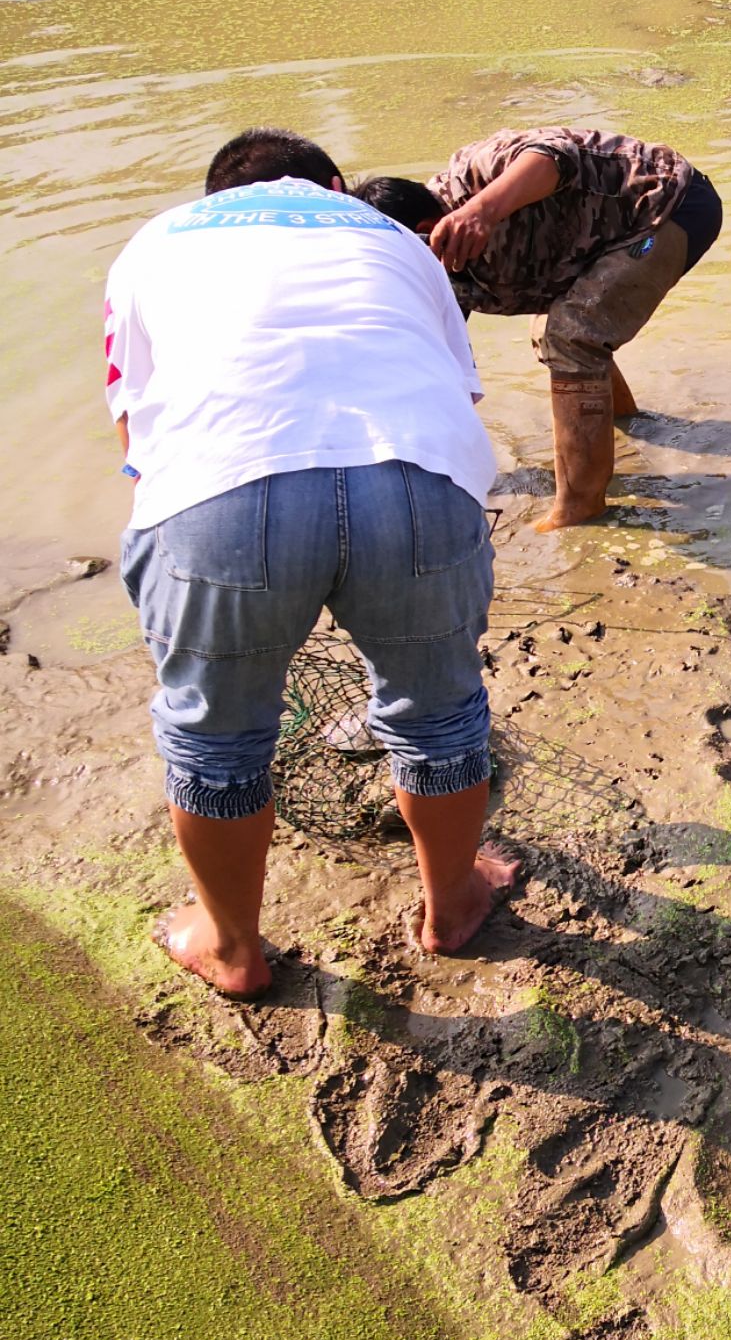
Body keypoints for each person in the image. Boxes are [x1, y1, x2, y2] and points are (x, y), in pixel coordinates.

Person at [107, 124, 518, 999]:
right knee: (439, 716)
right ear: (335, 185)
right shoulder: (390, 235)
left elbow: (135, 426)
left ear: (215, 197)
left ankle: (231, 948)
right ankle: (452, 905)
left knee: (215, 740)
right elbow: (455, 388)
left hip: (223, 482)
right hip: (412, 469)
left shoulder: (156, 241)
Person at [355, 125, 723, 532]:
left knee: (572, 335)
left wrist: (482, 211)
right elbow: (435, 370)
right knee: (553, 332)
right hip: (599, 244)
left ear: (427, 228)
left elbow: (552, 153)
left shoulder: (474, 172)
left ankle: (580, 507)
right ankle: (624, 424)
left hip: (668, 206)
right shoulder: (435, 269)